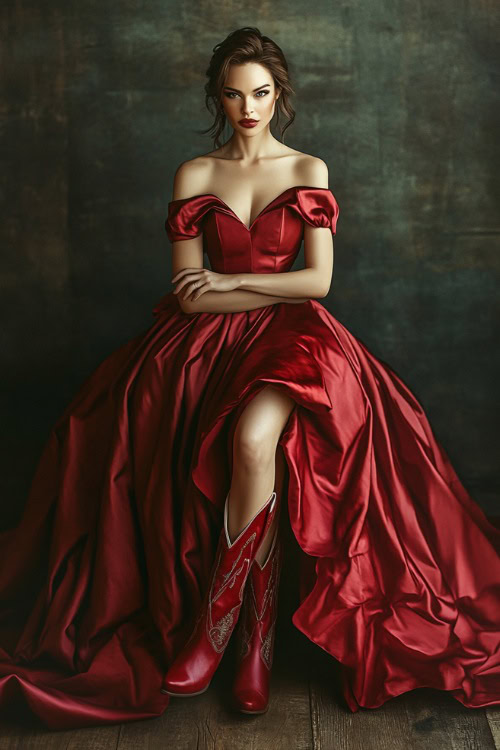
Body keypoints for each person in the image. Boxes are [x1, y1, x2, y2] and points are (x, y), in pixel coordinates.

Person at [0, 26, 499, 731]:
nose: (248, 107)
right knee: (148, 429)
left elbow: (317, 283)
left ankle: (220, 627)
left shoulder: (308, 171)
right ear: (216, 96)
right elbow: (183, 294)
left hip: (295, 342)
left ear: (280, 94)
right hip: (200, 343)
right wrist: (242, 289)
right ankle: (251, 652)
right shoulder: (194, 175)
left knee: (253, 438)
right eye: (233, 94)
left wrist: (229, 281)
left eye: (260, 93)